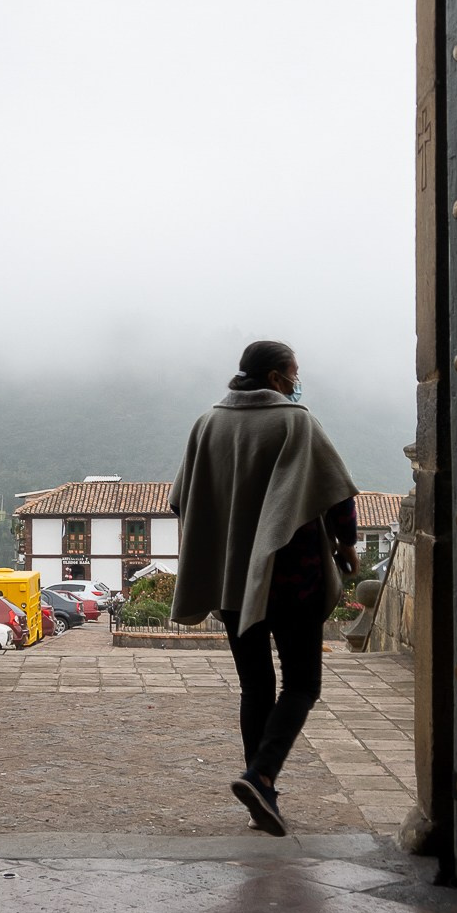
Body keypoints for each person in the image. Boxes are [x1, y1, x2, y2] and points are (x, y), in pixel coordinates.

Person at [169, 341, 358, 835]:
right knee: (302, 684)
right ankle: (261, 775)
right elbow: (335, 490)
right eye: (294, 372)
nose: (298, 379)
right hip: (293, 578)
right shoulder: (297, 421)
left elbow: (180, 498)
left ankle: (262, 793)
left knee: (256, 686)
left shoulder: (207, 423)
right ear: (276, 377)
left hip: (232, 579)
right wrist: (349, 545)